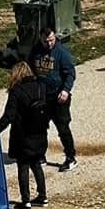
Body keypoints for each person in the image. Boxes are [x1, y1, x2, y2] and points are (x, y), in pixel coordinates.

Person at [0, 59, 52, 209]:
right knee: (36, 164)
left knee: (23, 166)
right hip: (40, 133)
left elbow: (8, 116)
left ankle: (26, 200)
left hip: (23, 135)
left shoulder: (17, 91)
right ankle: (42, 196)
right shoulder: (41, 87)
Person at [35, 26, 78, 169]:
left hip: (59, 98)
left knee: (63, 128)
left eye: (51, 40)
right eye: (46, 41)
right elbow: (30, 69)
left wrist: (65, 90)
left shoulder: (61, 52)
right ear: (40, 38)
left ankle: (71, 157)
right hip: (42, 97)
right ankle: (40, 156)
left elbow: (70, 73)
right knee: (39, 128)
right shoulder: (35, 51)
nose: (49, 44)